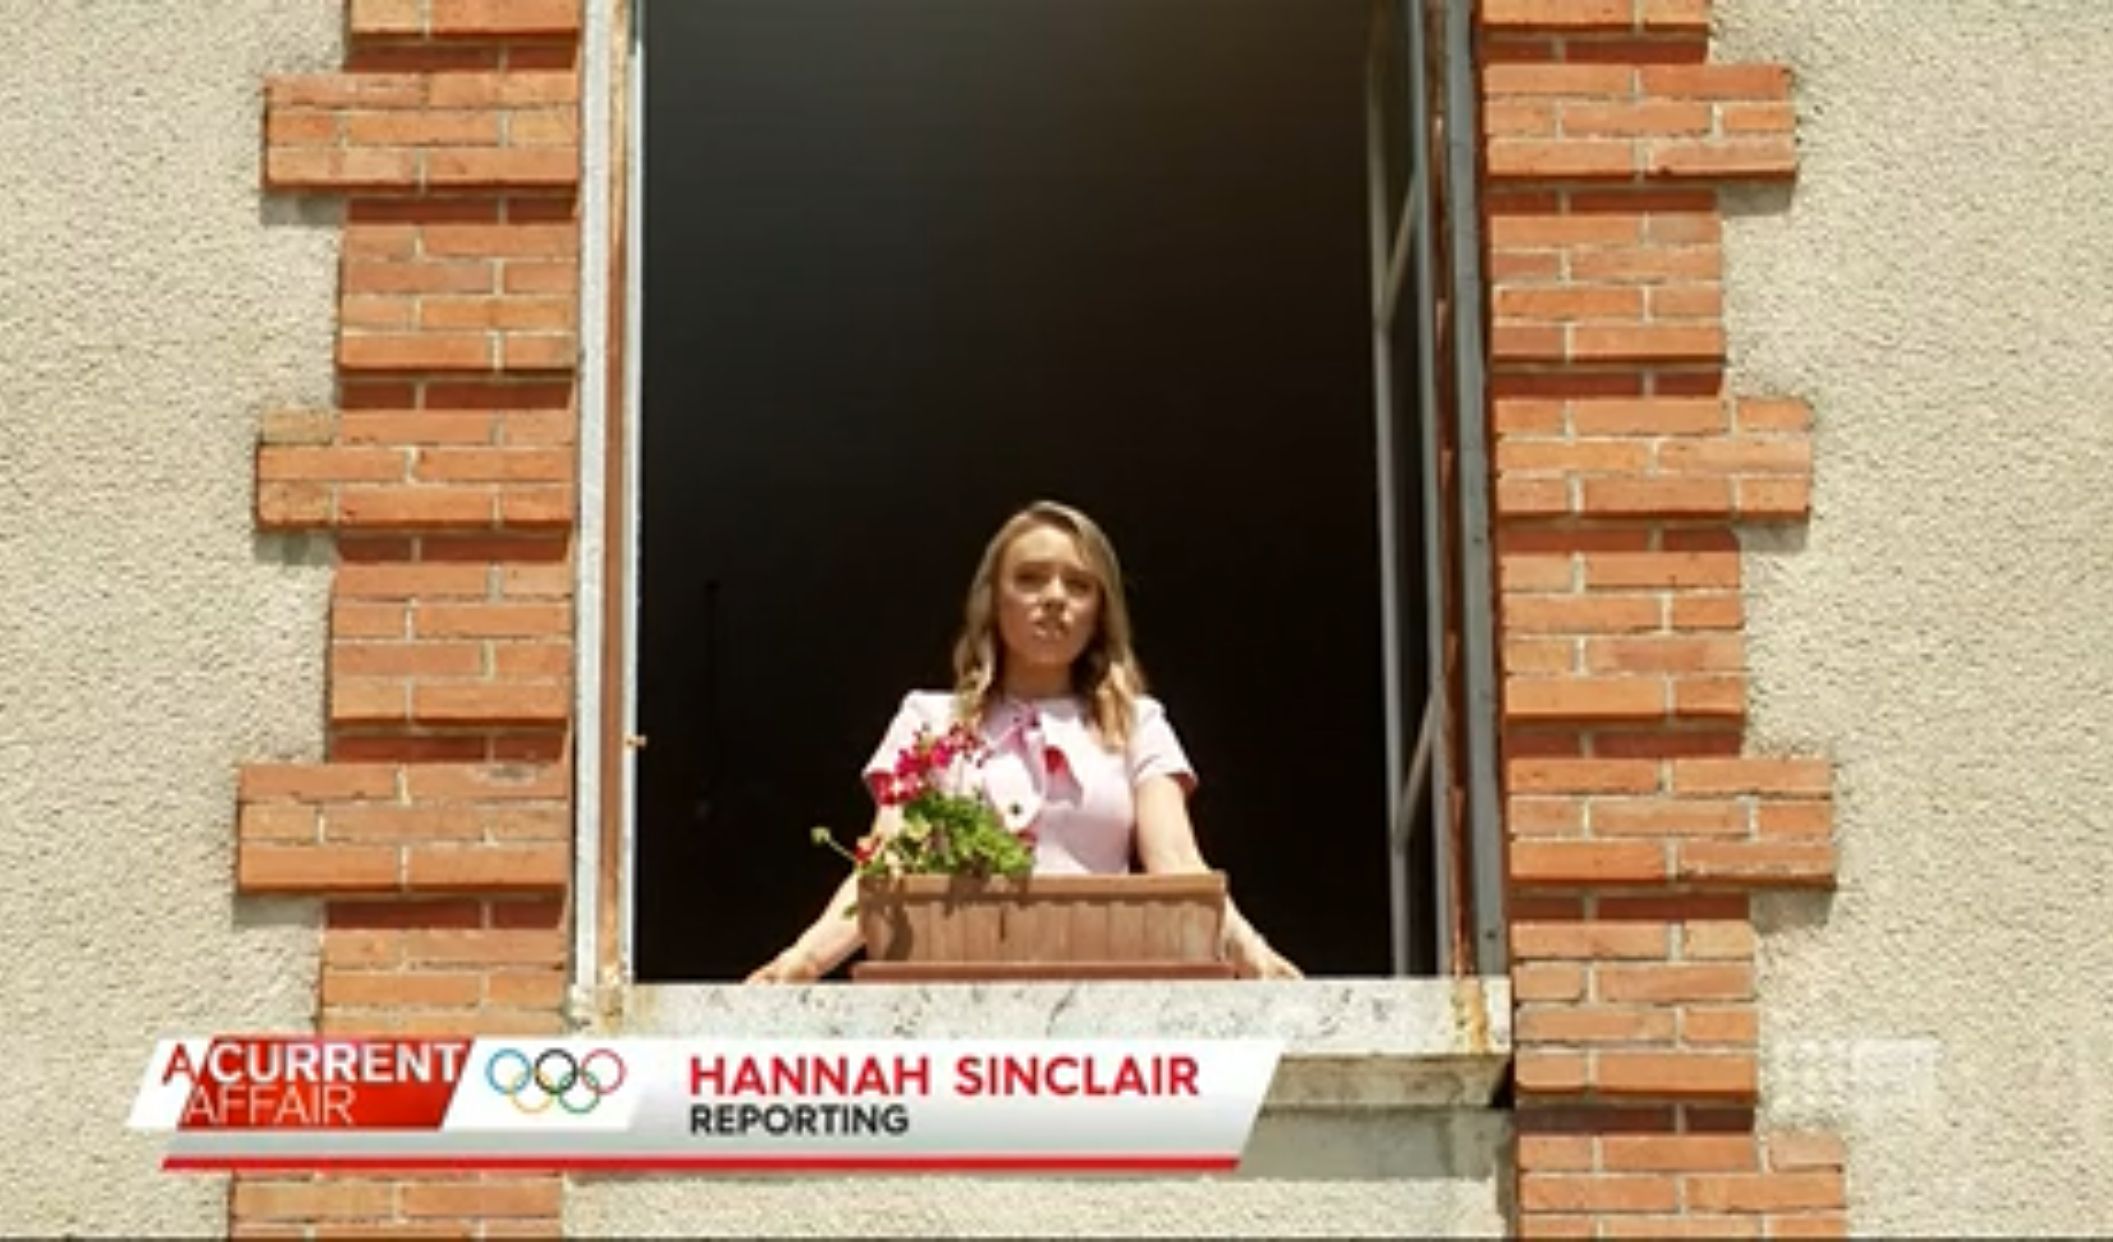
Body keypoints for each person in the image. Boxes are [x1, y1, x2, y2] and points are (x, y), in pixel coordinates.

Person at [747, 500, 1301, 983]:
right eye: (1031, 578)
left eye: (1079, 585)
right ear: (994, 599)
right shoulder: (928, 720)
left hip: (1102, 998)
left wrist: (1253, 956)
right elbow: (889, 862)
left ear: (1100, 612)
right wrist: (804, 960)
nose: (1055, 597)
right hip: (954, 994)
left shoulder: (1138, 723)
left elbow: (1176, 863)